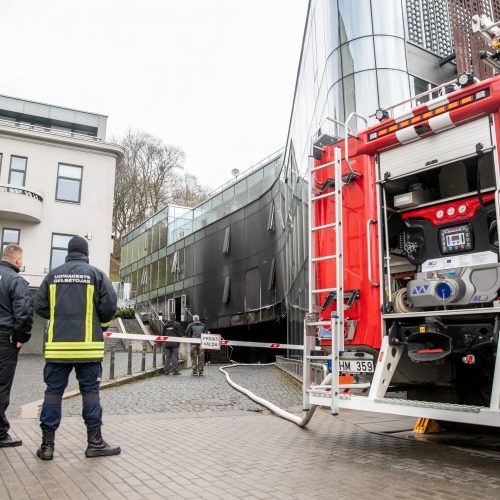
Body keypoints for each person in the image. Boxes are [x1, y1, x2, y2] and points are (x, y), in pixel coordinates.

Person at [34, 236, 120, 460]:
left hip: (58, 349)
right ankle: (95, 443)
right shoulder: (96, 274)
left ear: (68, 252)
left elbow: (40, 306)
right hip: (88, 349)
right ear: (86, 252)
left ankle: (46, 447)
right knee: (90, 394)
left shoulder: (53, 276)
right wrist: (99, 325)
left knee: (53, 394)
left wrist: (59, 317)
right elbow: (109, 306)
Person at [0, 244, 33, 447]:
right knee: (1, 386)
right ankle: (0, 433)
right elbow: (23, 312)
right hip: (5, 340)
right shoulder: (16, 281)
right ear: (18, 261)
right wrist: (22, 337)